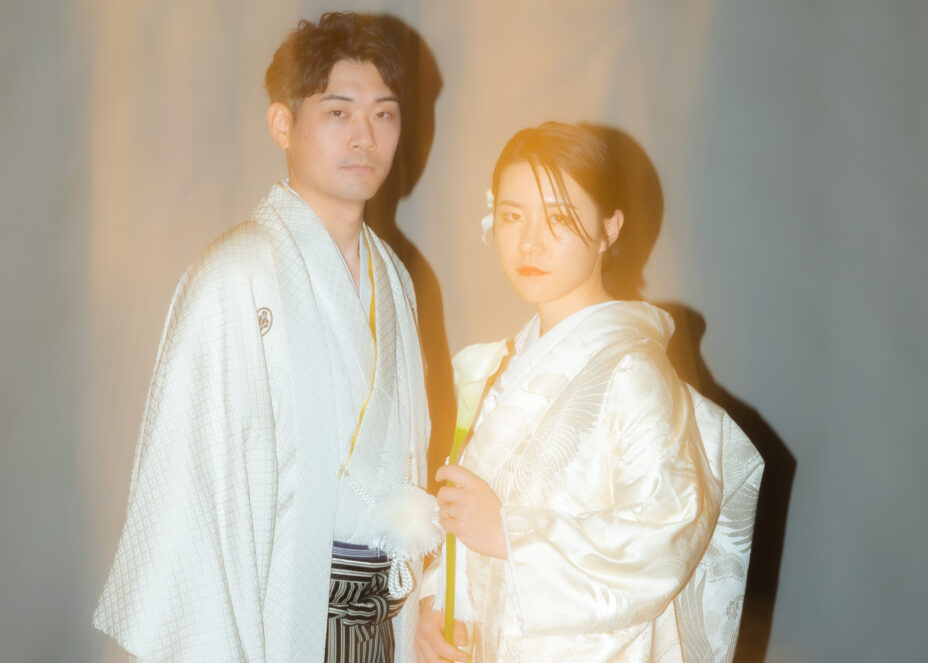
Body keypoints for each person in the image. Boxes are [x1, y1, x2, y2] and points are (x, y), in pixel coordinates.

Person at [93, 12, 431, 662]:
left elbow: (406, 462)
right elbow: (190, 488)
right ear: (283, 123)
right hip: (278, 612)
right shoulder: (235, 275)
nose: (365, 136)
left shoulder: (394, 281)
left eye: (384, 114)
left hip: (380, 623)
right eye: (339, 112)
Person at [415, 122, 764, 662]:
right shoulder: (508, 364)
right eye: (512, 216)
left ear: (609, 228)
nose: (529, 242)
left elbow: (663, 536)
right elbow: (471, 517)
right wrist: (438, 604)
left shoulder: (633, 372)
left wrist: (510, 536)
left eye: (558, 218)